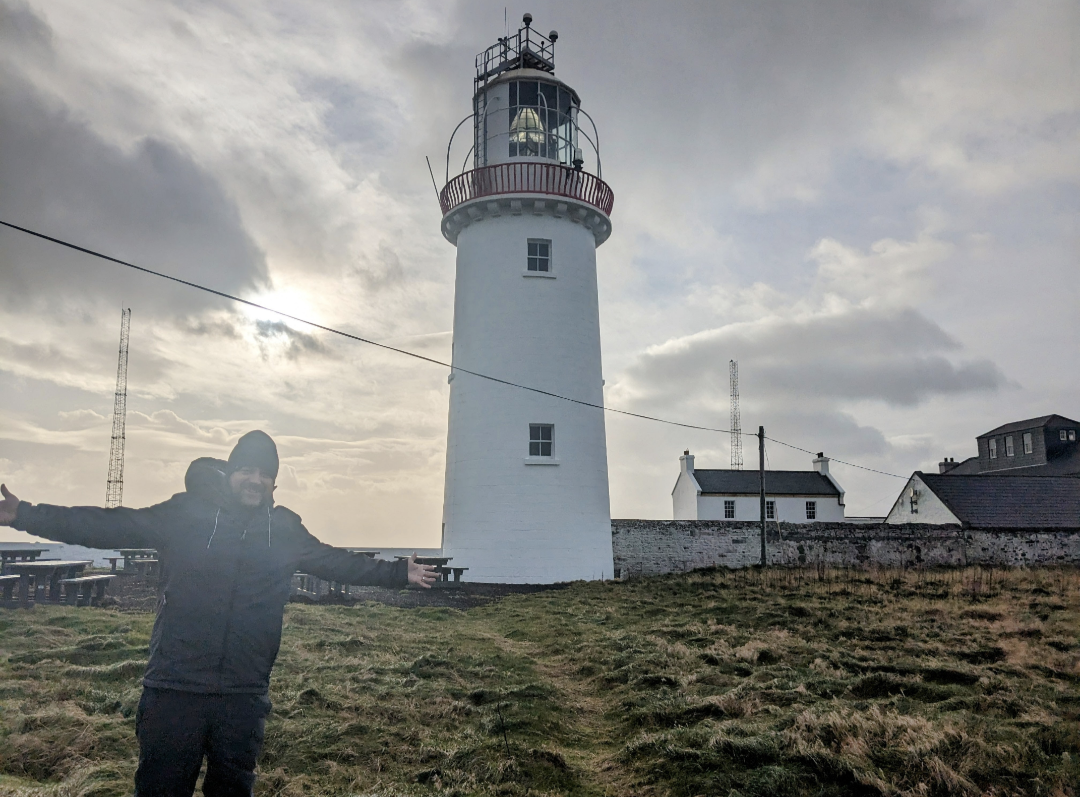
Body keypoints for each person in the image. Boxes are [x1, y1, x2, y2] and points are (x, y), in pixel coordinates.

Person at [0, 430, 438, 797]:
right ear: (230, 475)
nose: (255, 479)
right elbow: (109, 524)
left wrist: (400, 572)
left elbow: (338, 561)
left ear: (274, 485)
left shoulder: (284, 530)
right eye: (247, 469)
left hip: (243, 695)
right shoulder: (185, 515)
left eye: (266, 473)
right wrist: (24, 514)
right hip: (175, 688)